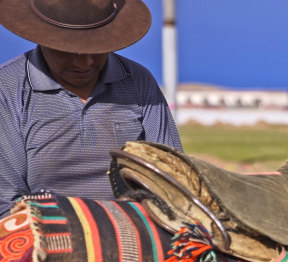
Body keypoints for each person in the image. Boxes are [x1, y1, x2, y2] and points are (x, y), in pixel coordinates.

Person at [0, 0, 183, 217]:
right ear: (44, 40)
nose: (85, 63)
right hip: (43, 230)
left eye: (96, 49)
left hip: (133, 225)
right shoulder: (8, 88)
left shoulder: (138, 82)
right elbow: (6, 199)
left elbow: (172, 177)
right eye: (69, 51)